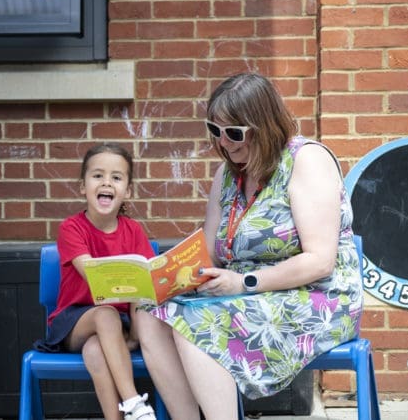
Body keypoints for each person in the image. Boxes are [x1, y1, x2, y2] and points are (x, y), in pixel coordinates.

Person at [135, 72, 364, 420]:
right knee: (147, 314)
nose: (224, 143)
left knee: (195, 323)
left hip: (316, 297)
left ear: (264, 125)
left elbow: (320, 262)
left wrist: (243, 282)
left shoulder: (305, 161)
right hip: (242, 294)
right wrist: (162, 279)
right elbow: (210, 253)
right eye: (215, 130)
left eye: (234, 133)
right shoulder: (227, 176)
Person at [34, 143, 157, 420]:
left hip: (118, 324)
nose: (106, 182)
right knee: (105, 314)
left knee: (95, 351)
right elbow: (93, 274)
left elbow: (143, 288)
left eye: (116, 177)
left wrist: (136, 337)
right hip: (72, 322)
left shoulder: (134, 231)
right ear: (83, 186)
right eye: (98, 175)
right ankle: (134, 402)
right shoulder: (71, 228)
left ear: (128, 190)